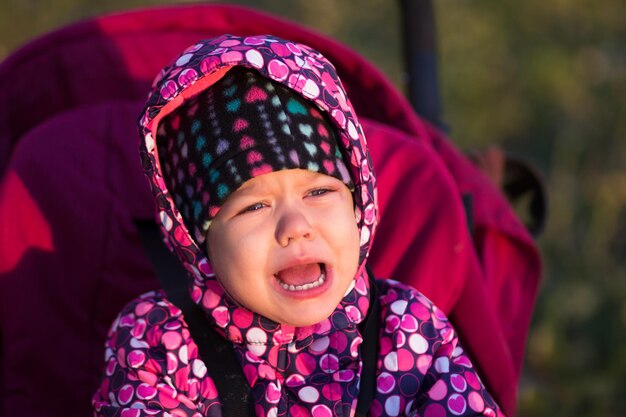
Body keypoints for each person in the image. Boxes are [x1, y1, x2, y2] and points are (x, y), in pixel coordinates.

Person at [92, 34, 503, 417]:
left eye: (319, 192)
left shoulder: (408, 329)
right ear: (196, 240)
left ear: (358, 201)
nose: (295, 226)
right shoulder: (159, 344)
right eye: (253, 207)